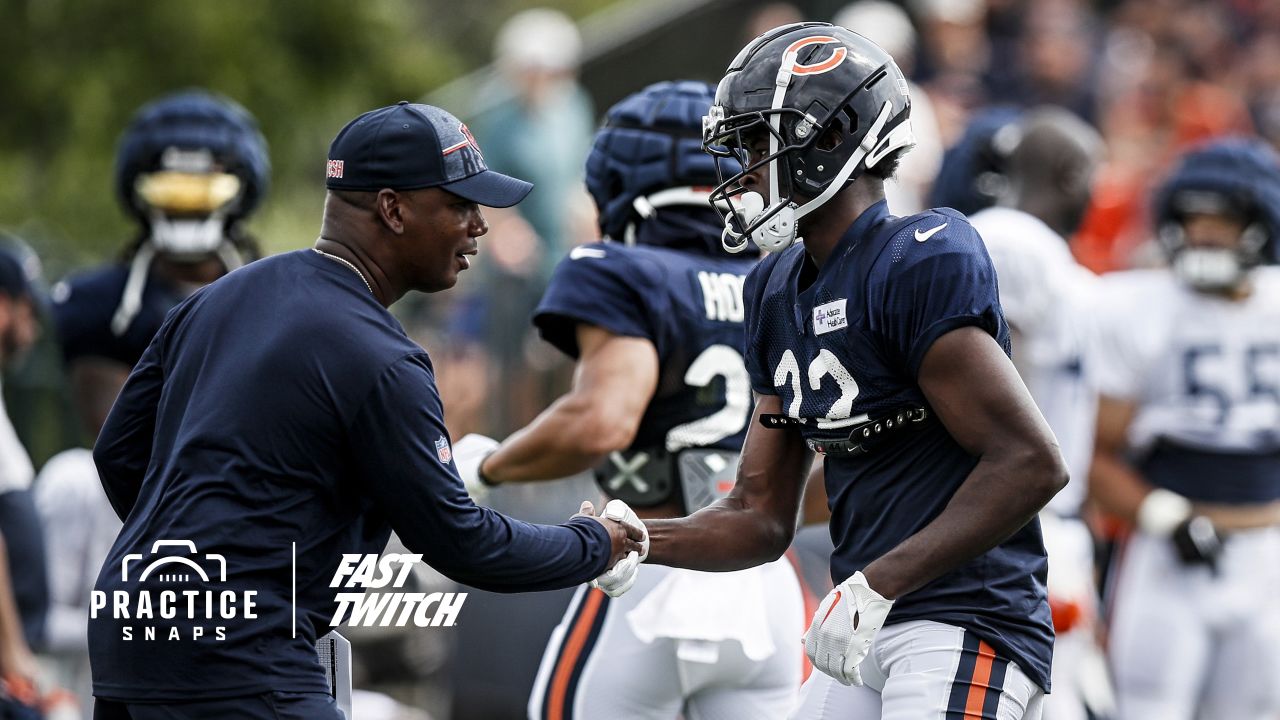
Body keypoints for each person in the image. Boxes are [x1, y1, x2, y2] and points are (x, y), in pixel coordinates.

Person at [87, 101, 644, 720]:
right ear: (392, 208)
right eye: (460, 204)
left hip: (131, 635)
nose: (480, 226)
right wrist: (595, 542)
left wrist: (199, 559)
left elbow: (118, 456)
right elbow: (462, 544)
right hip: (245, 660)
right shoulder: (382, 356)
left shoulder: (219, 297)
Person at [636, 23, 1067, 718]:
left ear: (830, 139)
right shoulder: (773, 287)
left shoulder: (919, 257)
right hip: (864, 619)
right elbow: (758, 514)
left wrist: (879, 583)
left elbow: (1030, 461)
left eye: (755, 144)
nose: (740, 171)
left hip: (963, 617)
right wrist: (638, 539)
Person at [457, 80, 804, 720]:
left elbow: (601, 420)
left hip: (650, 570)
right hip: (767, 594)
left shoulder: (623, 267)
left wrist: (487, 466)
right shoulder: (785, 280)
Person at [1089, 137, 1280, 720]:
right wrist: (1164, 517)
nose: (1204, 235)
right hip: (1170, 553)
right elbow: (1091, 453)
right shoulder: (1138, 307)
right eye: (1192, 218)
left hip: (1268, 553)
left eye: (1221, 221)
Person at [968, 107, 1114, 720]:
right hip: (1015, 526)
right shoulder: (1012, 239)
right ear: (1070, 171)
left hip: (1044, 527)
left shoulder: (1050, 256)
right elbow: (978, 376)